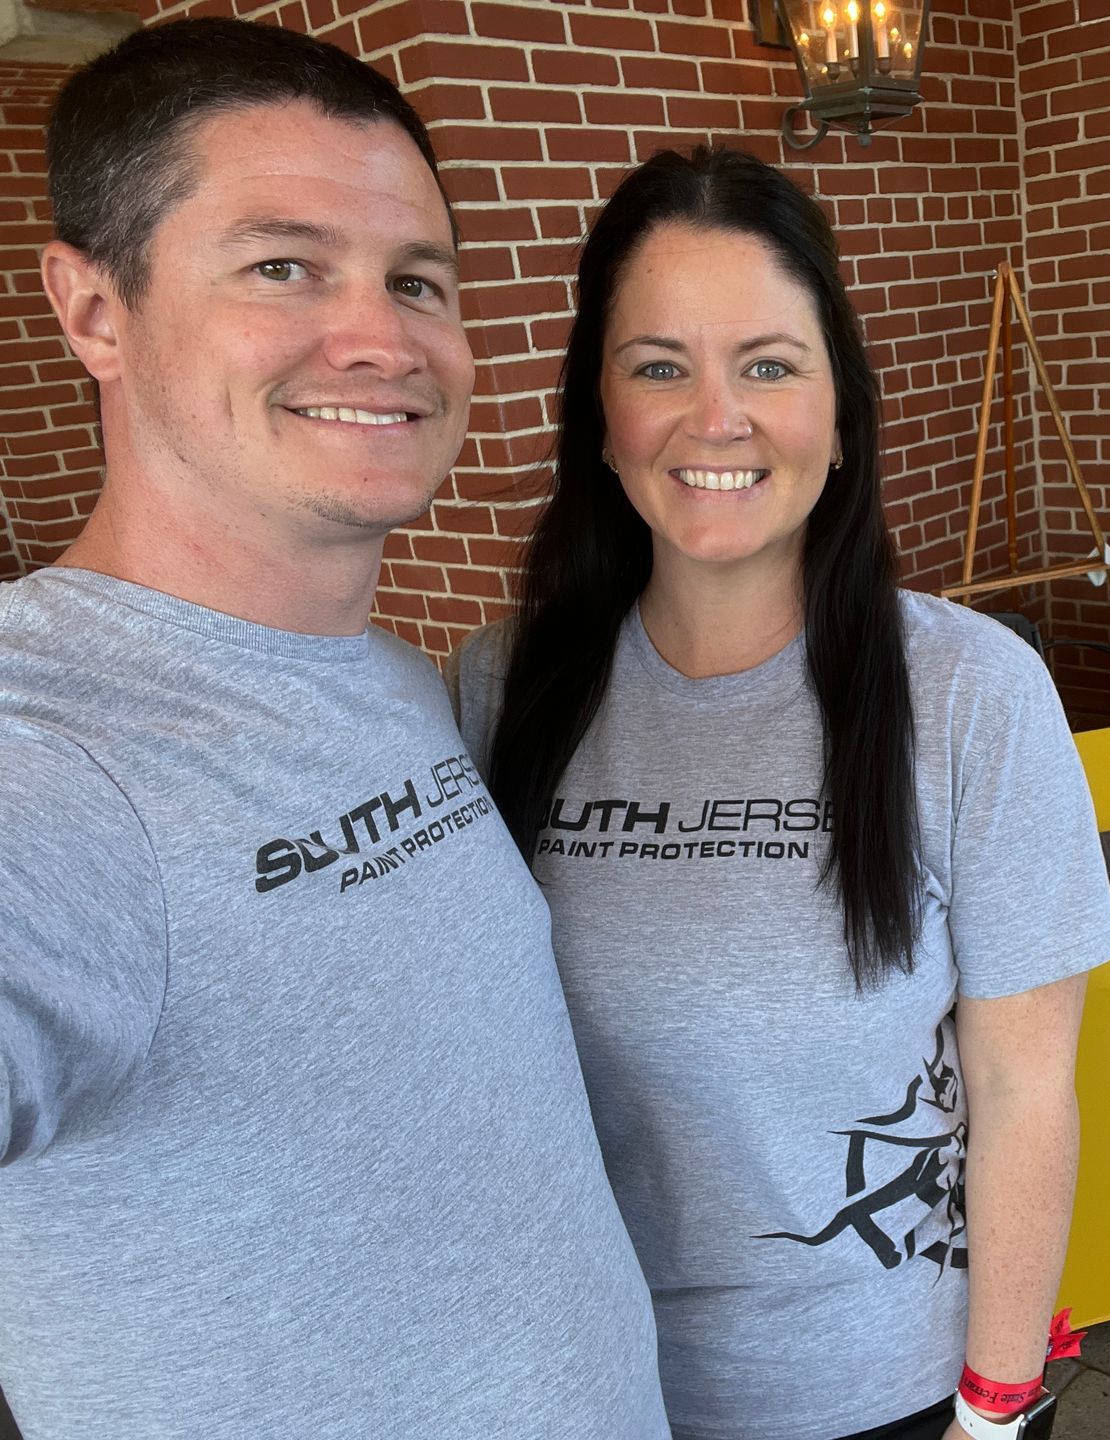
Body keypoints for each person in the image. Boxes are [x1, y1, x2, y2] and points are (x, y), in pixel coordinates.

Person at [0, 19, 670, 1438]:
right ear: (92, 309)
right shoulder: (51, 757)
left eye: (417, 280)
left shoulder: (389, 676)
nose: (380, 338)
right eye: (282, 265)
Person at [450, 147, 1110, 1440]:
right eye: (659, 366)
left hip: (891, 1398)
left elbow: (1026, 1086)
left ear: (840, 409)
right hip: (586, 1391)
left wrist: (995, 1414)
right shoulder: (499, 692)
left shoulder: (975, 695)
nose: (718, 417)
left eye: (768, 363)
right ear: (600, 413)